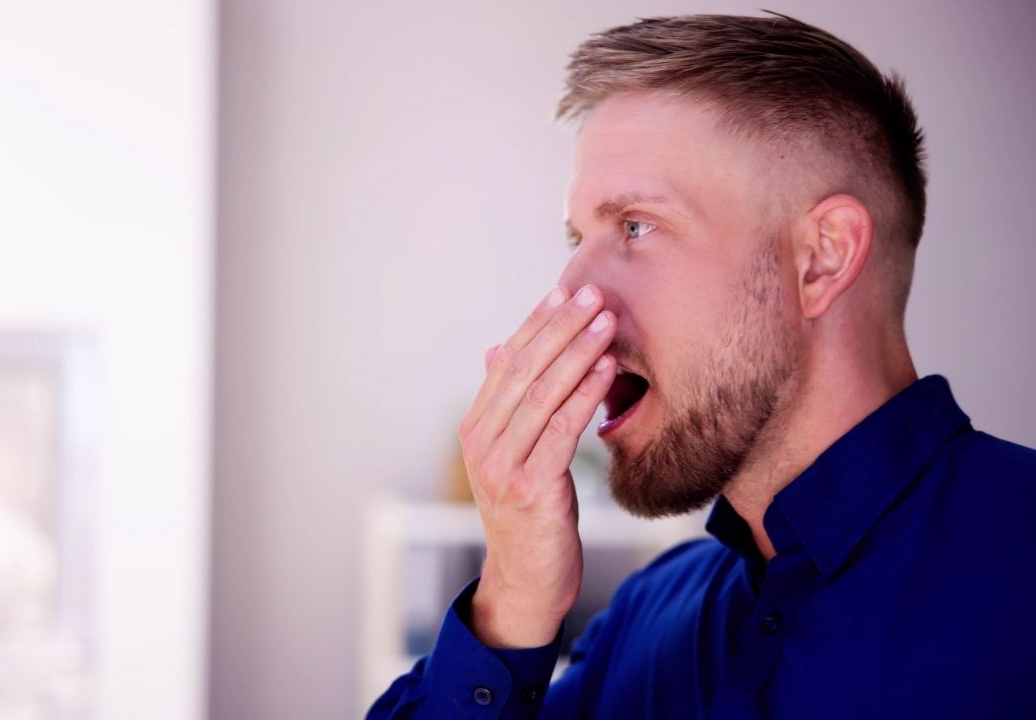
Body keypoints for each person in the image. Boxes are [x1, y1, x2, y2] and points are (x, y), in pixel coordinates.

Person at [368, 12, 1036, 720]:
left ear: (822, 259)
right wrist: (511, 599)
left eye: (635, 225)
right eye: (577, 237)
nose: (567, 294)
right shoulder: (647, 614)